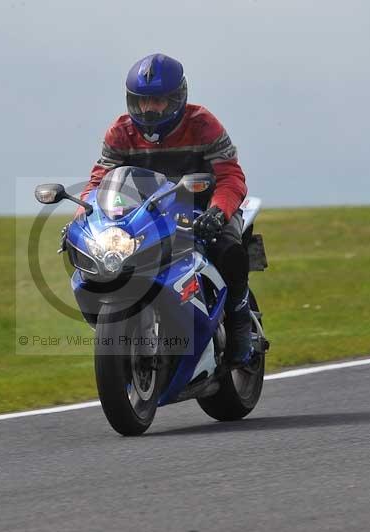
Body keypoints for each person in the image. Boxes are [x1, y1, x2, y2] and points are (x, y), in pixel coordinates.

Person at [75, 52, 255, 367]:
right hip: (147, 214)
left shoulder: (204, 125)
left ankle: (239, 319)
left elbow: (231, 177)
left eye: (158, 100)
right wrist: (83, 219)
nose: (149, 108)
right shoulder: (120, 132)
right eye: (142, 101)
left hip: (204, 209)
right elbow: (99, 182)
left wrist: (218, 212)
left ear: (177, 97)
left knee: (228, 250)